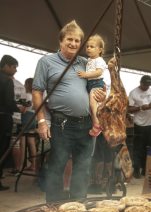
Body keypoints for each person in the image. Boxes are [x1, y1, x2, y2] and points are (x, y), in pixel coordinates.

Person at [32, 20, 105, 202]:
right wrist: (42, 121)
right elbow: (37, 92)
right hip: (61, 123)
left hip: (86, 123)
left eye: (77, 41)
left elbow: (97, 84)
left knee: (83, 167)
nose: (73, 44)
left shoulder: (85, 62)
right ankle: (54, 210)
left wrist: (101, 94)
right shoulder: (46, 61)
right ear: (61, 41)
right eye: (69, 40)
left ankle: (78, 207)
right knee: (57, 165)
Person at [128, 75, 151, 178]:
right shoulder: (133, 92)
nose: (147, 86)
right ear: (141, 83)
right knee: (138, 148)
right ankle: (136, 170)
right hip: (139, 124)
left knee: (149, 148)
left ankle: (146, 170)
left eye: (148, 84)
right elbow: (129, 109)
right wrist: (141, 107)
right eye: (145, 84)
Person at [0, 55, 23, 190]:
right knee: (2, 149)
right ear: (6, 66)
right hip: (3, 119)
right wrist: (18, 108)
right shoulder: (7, 81)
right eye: (14, 67)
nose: (15, 70)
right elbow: (9, 102)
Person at [78, 34, 107, 137]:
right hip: (91, 84)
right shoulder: (89, 60)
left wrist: (86, 75)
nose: (88, 48)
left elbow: (99, 72)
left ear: (100, 50)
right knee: (92, 105)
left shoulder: (99, 60)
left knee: (92, 104)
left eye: (92, 47)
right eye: (87, 46)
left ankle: (96, 123)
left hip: (96, 83)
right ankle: (98, 124)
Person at [21, 78, 37, 172]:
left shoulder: (27, 95)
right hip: (33, 118)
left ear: (27, 85)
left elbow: (23, 110)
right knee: (32, 143)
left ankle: (20, 166)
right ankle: (33, 165)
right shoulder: (35, 96)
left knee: (22, 143)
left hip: (26, 118)